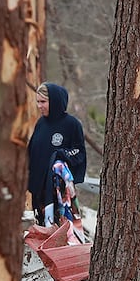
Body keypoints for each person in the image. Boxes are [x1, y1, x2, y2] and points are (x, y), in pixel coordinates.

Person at [28, 83, 87, 228]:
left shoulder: (72, 125)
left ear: (54, 101)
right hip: (39, 191)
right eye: (38, 102)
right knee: (43, 228)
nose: (39, 106)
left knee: (62, 229)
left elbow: (79, 151)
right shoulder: (41, 124)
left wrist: (61, 155)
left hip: (60, 192)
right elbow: (31, 152)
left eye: (43, 102)